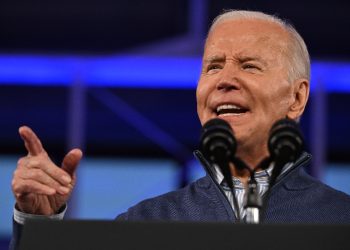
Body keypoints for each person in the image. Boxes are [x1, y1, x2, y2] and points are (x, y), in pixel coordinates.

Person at [10, 9, 350, 249]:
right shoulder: (142, 224)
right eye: (213, 66)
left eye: (249, 66)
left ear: (296, 97)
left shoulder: (341, 221)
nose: (224, 80)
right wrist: (40, 228)